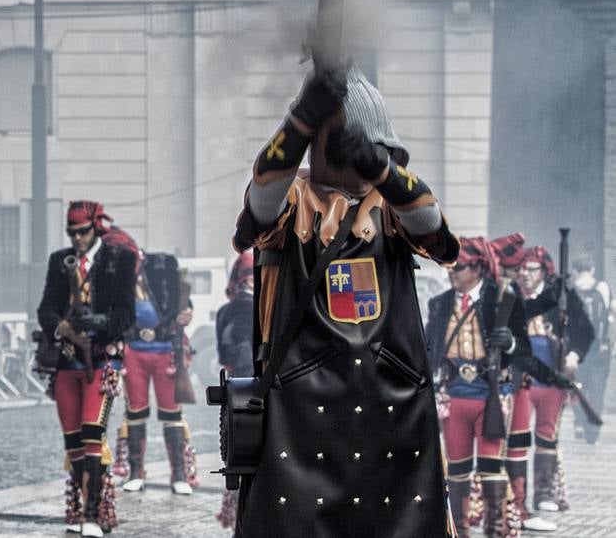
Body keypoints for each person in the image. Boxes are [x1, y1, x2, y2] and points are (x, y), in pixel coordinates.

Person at [232, 66, 459, 538]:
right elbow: (260, 204)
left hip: (390, 409)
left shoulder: (393, 202)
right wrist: (298, 122)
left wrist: (379, 169)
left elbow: (435, 232)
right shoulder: (293, 199)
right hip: (301, 411)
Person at [37, 200, 137, 538]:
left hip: (102, 359)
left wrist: (96, 322)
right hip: (66, 360)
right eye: (72, 233)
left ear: (95, 228)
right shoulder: (58, 261)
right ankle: (82, 508)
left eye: (83, 232)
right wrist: (61, 327)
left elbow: (126, 314)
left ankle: (94, 515)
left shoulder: (119, 259)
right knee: (73, 442)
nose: (78, 238)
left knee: (93, 434)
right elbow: (46, 307)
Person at [426, 237, 529, 538]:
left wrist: (509, 342)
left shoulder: (505, 301)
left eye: (460, 268)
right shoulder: (440, 303)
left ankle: (495, 532)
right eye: (450, 268)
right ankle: (461, 531)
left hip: (492, 395)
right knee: (456, 470)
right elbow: (429, 346)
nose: (452, 273)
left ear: (479, 268)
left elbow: (524, 349)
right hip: (454, 394)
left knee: (490, 468)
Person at [507, 245, 593, 527]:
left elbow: (586, 330)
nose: (525, 275)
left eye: (530, 269)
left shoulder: (561, 297)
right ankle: (517, 501)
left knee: (547, 436)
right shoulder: (512, 296)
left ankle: (543, 493)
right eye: (521, 269)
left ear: (543, 271)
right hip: (521, 378)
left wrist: (573, 354)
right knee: (518, 438)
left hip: (552, 377)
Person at [112, 231, 196, 496]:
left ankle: (179, 474)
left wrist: (187, 312)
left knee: (172, 413)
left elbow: (180, 297)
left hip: (164, 349)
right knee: (135, 411)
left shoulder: (161, 267)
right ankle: (136, 472)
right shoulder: (114, 279)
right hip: (133, 350)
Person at [213, 250, 254, 532]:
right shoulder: (244, 307)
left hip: (239, 390)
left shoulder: (229, 308)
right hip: (249, 393)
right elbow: (236, 350)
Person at [570, 255, 612, 445]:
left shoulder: (571, 290)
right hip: (599, 348)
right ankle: (592, 430)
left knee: (577, 388)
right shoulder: (603, 288)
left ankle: (578, 421)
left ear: (575, 271)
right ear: (593, 269)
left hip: (576, 350)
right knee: (597, 389)